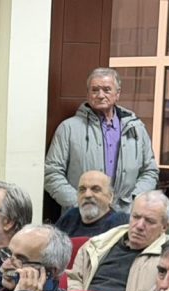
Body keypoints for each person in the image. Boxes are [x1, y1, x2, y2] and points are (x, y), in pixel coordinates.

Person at [44, 67, 159, 213]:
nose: (100, 95)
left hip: (125, 216)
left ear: (117, 94)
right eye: (95, 90)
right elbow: (51, 173)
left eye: (106, 89)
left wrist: (133, 201)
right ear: (87, 94)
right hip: (81, 217)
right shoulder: (68, 128)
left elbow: (150, 171)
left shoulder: (136, 128)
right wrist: (80, 203)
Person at [66, 189, 169, 291]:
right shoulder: (99, 244)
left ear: (165, 227)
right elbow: (74, 278)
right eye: (136, 217)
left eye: (149, 221)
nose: (139, 226)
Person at [53, 171, 130, 238]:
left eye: (95, 189)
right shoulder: (70, 217)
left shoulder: (119, 224)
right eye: (82, 190)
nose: (87, 195)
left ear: (110, 197)